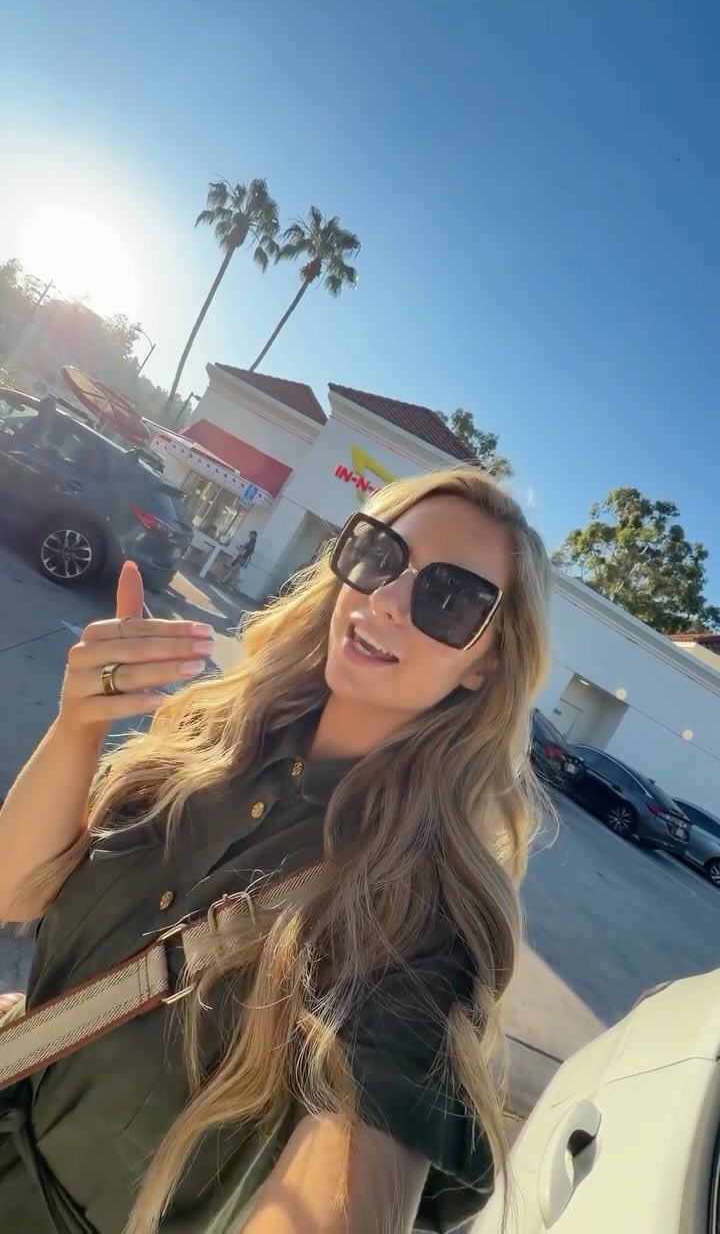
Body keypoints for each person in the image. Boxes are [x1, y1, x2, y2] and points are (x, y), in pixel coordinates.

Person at [0, 465, 552, 1234]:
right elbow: (18, 892)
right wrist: (79, 726)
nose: (387, 600)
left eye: (450, 598)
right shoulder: (213, 737)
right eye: (382, 555)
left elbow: (363, 1140)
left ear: (487, 661)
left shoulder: (419, 912)